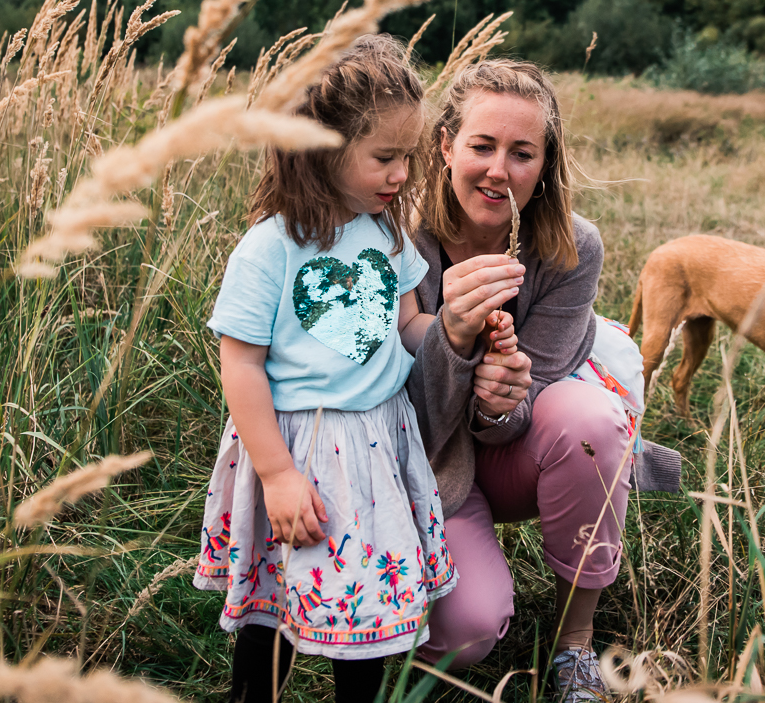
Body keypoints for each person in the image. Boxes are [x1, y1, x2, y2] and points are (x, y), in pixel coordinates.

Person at [193, 37, 502, 703]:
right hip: (297, 446)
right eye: (384, 157)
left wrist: (456, 329)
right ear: (323, 147)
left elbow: (409, 326)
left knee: (366, 606)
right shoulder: (268, 248)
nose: (400, 174)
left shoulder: (385, 232)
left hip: (377, 446)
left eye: (408, 158)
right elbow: (241, 365)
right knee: (275, 599)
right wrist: (276, 474)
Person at [406, 61, 680, 702]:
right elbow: (408, 411)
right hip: (426, 461)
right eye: (481, 146)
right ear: (447, 146)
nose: (499, 169)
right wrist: (451, 336)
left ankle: (574, 644)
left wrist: (503, 404)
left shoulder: (572, 248)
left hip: (516, 454)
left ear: (544, 163)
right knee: (466, 633)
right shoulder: (399, 237)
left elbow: (537, 394)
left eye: (521, 153)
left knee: (589, 423)